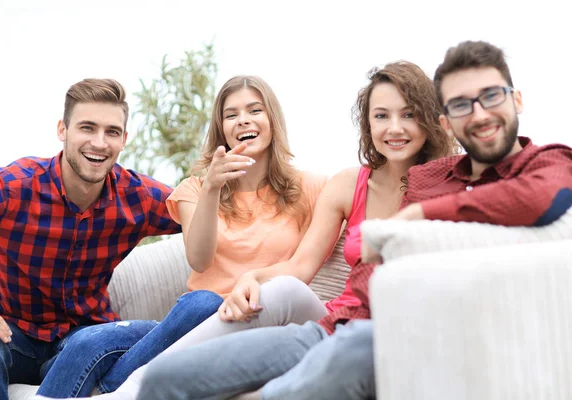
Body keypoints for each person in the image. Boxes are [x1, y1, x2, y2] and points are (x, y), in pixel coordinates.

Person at [137, 41, 572, 400]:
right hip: (333, 325)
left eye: (491, 97)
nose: (477, 114)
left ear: (516, 99)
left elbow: (539, 197)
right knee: (164, 380)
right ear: (447, 118)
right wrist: (253, 275)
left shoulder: (542, 164)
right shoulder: (432, 176)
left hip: (389, 335)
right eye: (461, 104)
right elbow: (302, 266)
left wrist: (417, 216)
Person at [41, 60, 454, 400]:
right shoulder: (201, 188)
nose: (393, 128)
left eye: (254, 110)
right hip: (208, 316)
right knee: (93, 340)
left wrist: (254, 281)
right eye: (381, 116)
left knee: (218, 303)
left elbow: (301, 271)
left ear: (272, 120)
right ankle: (115, 389)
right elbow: (205, 259)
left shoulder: (313, 187)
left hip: (280, 317)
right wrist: (214, 192)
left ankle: (123, 389)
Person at [0, 78, 188, 400]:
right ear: (63, 130)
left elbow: (217, 217)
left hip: (86, 340)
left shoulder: (137, 197)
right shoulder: (10, 190)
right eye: (87, 128)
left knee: (129, 336)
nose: (99, 143)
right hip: (11, 336)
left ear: (124, 139)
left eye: (112, 132)